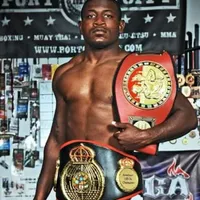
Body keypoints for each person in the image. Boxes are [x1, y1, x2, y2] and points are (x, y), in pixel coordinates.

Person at [34, 0, 197, 199]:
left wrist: (146, 136)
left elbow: (188, 117)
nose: (99, 22)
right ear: (81, 25)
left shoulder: (139, 70)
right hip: (72, 189)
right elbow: (56, 139)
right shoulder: (64, 73)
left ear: (120, 26)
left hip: (121, 189)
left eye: (108, 16)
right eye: (91, 16)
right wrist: (39, 196)